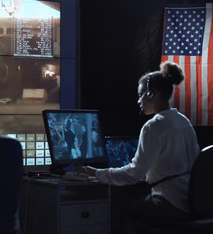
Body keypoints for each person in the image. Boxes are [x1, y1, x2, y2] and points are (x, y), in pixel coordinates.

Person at [75, 61, 199, 234]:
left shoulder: (153, 126)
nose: (139, 100)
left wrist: (95, 173)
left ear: (152, 93)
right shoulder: (184, 122)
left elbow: (134, 174)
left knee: (128, 210)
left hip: (170, 201)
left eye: (141, 95)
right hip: (194, 201)